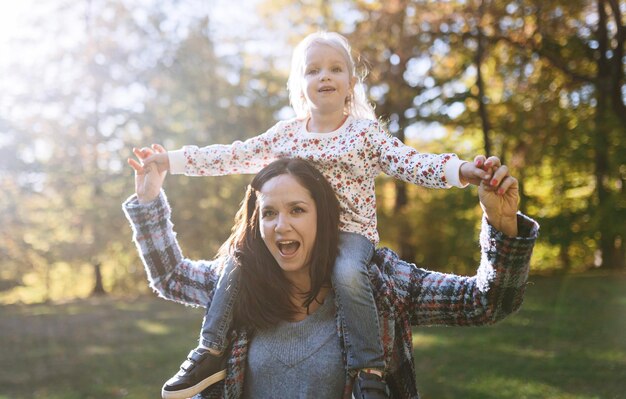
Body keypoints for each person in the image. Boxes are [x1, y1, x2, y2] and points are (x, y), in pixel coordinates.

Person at [140, 31, 495, 399]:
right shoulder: (287, 136)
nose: (324, 76)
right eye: (313, 70)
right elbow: (234, 155)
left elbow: (410, 162)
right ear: (300, 85)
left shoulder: (365, 134)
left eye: (335, 69)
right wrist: (173, 161)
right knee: (236, 257)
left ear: (350, 85)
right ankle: (210, 351)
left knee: (347, 273)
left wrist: (459, 171)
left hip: (350, 235)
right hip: (307, 232)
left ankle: (368, 371)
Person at [124, 153, 538, 399]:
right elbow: (171, 276)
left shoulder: (377, 285)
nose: (280, 225)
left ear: (324, 218)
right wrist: (148, 200)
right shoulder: (236, 287)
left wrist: (501, 226)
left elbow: (485, 302)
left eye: (297, 210)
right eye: (268, 213)